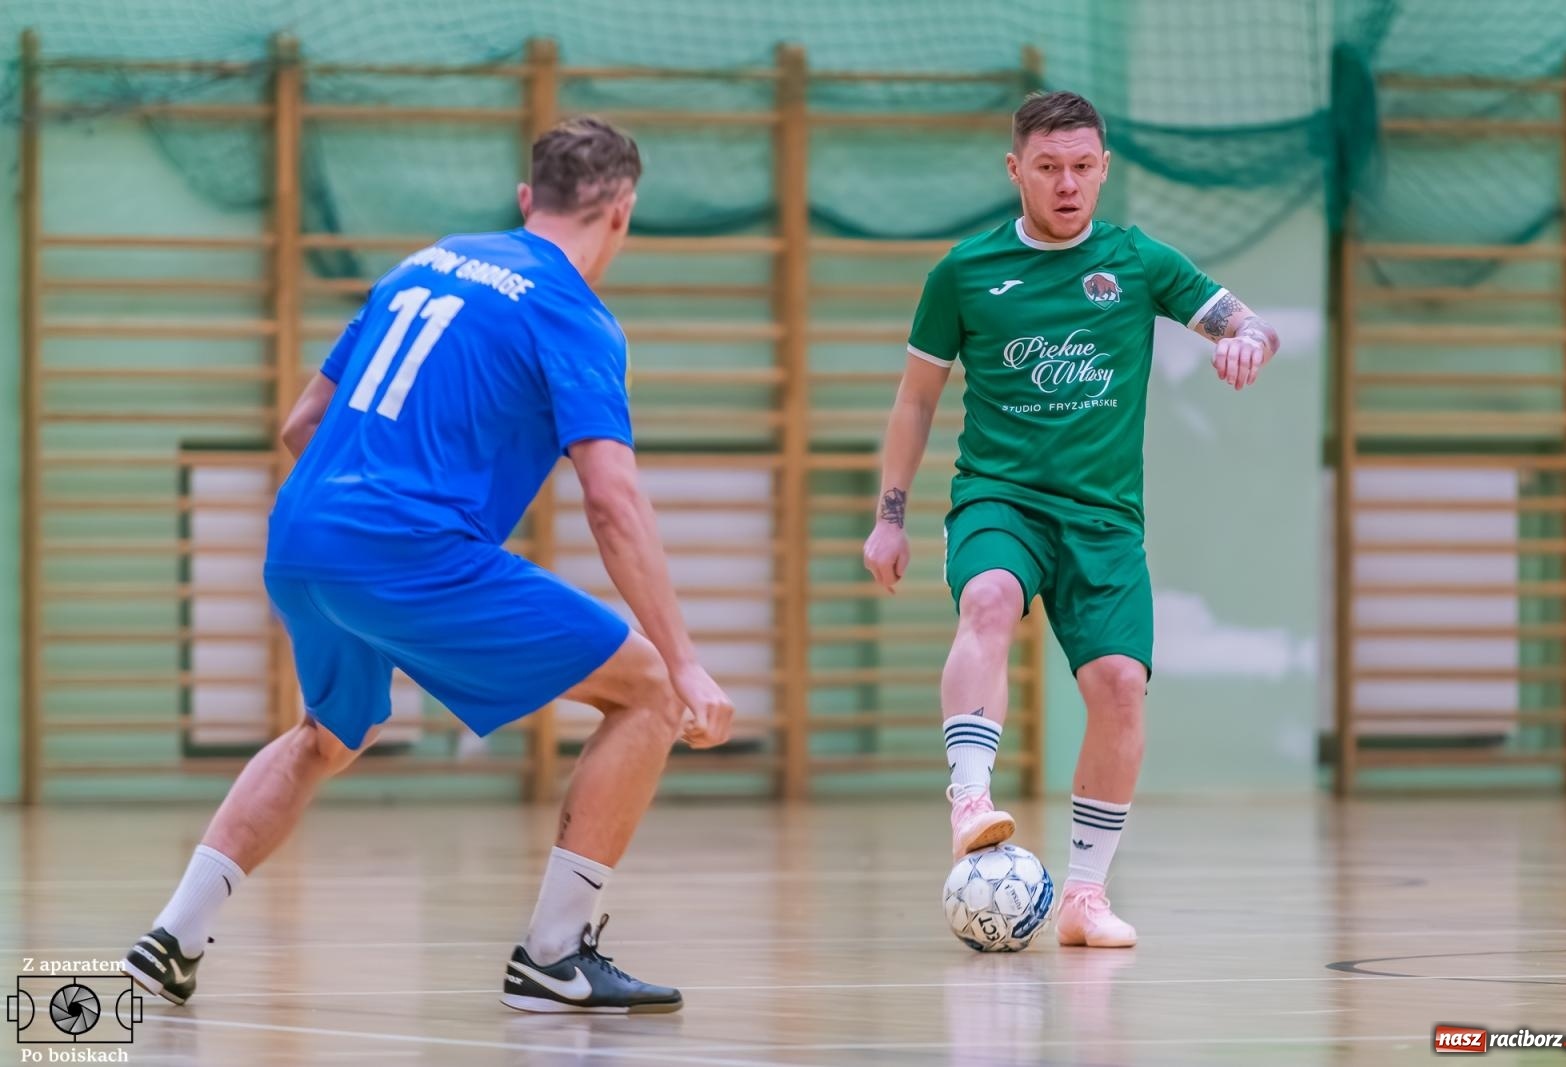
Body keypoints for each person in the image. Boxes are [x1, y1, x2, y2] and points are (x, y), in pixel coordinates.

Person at [121, 117, 734, 1013]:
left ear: (529, 200)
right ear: (622, 214)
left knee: (325, 735)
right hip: (406, 545)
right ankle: (554, 954)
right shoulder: (572, 311)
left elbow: (299, 429)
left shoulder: (425, 263)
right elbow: (612, 501)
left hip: (301, 532)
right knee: (645, 689)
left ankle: (171, 935)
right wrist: (685, 659)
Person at [862, 90, 1279, 948]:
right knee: (988, 599)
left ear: (1104, 170)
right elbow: (914, 401)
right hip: (1000, 499)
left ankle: (1085, 897)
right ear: (1015, 169)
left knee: (1121, 686)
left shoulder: (1138, 261)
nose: (1067, 184)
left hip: (1103, 522)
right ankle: (971, 797)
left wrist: (1247, 340)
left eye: (1083, 167)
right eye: (1048, 168)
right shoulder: (964, 272)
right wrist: (889, 516)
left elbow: (1249, 323)